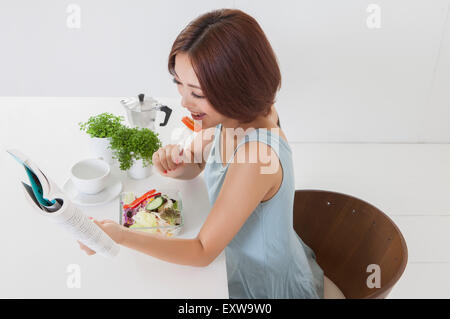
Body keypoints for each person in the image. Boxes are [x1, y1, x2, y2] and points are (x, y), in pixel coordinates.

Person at [79, 8, 324, 299]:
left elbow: (203, 251)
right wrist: (178, 163)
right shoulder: (234, 117)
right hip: (259, 259)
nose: (183, 101)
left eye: (196, 93)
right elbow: (198, 161)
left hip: (265, 286)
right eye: (179, 85)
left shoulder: (256, 156)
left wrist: (121, 235)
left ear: (236, 91)